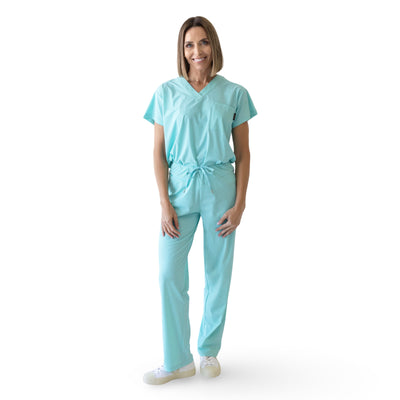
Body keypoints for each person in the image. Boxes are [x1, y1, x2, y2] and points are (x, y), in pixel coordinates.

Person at [143, 16, 257, 385]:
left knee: (217, 273)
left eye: (204, 42)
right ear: (182, 50)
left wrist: (240, 204)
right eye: (190, 44)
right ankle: (177, 360)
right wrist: (164, 202)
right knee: (168, 273)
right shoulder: (165, 93)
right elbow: (158, 152)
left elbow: (244, 154)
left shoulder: (234, 93)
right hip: (179, 189)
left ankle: (208, 350)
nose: (197, 51)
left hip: (220, 188)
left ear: (214, 46)